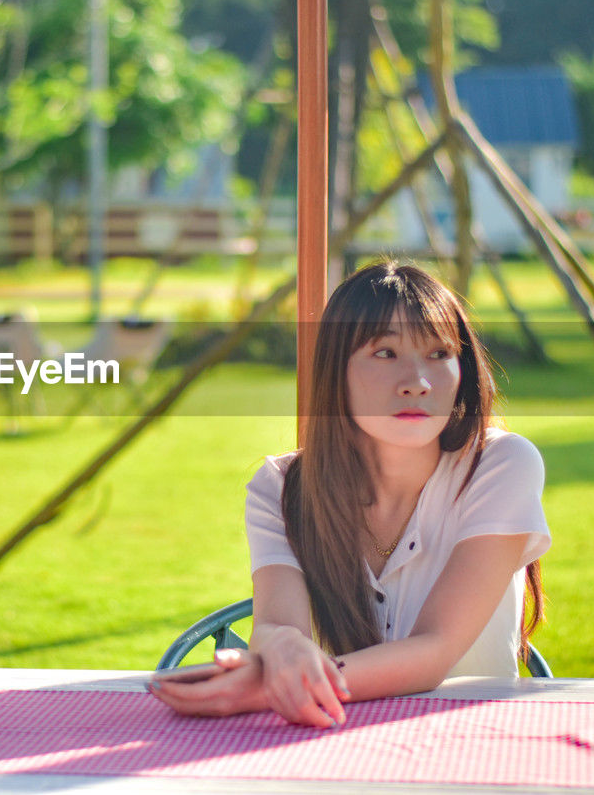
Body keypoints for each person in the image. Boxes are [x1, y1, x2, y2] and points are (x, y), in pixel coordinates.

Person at [151, 260, 549, 727]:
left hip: (477, 741)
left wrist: (273, 684)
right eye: (385, 353)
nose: (417, 382)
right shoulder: (282, 488)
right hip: (331, 741)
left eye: (439, 354)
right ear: (335, 372)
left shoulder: (500, 465)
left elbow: (435, 649)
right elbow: (279, 624)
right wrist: (280, 648)